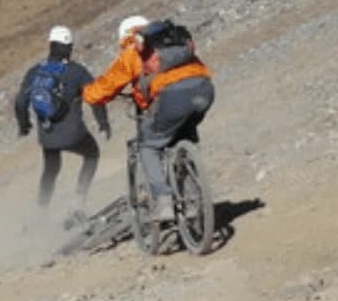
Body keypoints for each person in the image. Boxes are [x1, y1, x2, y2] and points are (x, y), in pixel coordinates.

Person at [83, 15, 214, 221]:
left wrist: (86, 94)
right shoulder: (172, 40)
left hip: (173, 97)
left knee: (148, 146)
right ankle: (192, 198)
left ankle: (164, 201)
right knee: (182, 136)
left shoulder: (134, 51)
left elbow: (104, 88)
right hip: (204, 90)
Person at [14, 25, 111, 225]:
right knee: (92, 154)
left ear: (50, 45)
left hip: (48, 136)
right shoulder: (76, 71)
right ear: (69, 47)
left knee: (50, 170)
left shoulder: (35, 71)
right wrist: (103, 123)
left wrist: (24, 126)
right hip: (74, 134)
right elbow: (95, 97)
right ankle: (78, 203)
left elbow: (20, 103)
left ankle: (41, 212)